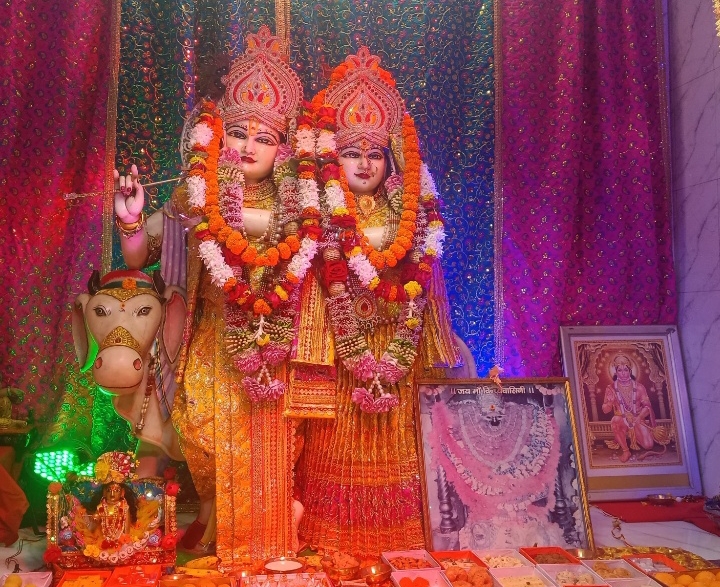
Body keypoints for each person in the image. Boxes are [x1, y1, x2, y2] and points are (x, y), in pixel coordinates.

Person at [114, 26, 324, 568]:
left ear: (283, 149)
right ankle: (217, 519)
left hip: (274, 340)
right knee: (203, 430)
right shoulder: (197, 191)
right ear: (218, 135)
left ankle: (266, 534)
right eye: (238, 133)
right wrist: (131, 220)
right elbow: (140, 254)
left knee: (265, 441)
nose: (249, 147)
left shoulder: (299, 201)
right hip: (209, 338)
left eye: (264, 138)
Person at [298, 47, 473, 556]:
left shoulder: (409, 208)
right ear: (335, 158)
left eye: (374, 154)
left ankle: (404, 539)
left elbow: (425, 276)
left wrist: (416, 337)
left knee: (400, 445)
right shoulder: (320, 210)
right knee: (338, 442)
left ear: (390, 158)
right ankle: (334, 540)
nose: (364, 163)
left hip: (400, 344)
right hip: (343, 343)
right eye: (352, 153)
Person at [601, 353, 656, 462]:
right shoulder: (611, 388)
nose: (623, 373)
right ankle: (626, 451)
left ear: (630, 371)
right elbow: (605, 410)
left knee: (648, 445)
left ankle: (634, 436)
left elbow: (647, 406)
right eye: (620, 370)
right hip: (621, 419)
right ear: (616, 372)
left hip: (637, 419)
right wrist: (609, 403)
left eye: (625, 370)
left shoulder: (639, 387)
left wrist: (639, 417)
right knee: (615, 420)